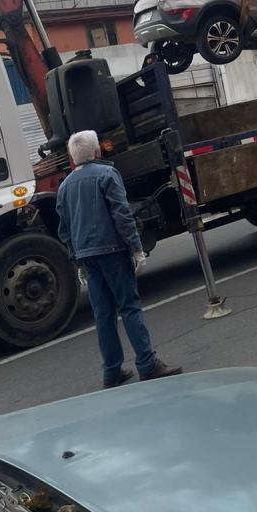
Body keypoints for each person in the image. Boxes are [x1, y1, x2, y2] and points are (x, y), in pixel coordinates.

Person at [56, 130, 182, 388]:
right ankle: (147, 364)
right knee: (130, 306)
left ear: (72, 157)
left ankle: (111, 371)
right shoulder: (107, 174)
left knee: (103, 314)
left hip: (86, 256)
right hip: (112, 251)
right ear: (97, 151)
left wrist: (76, 259)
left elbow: (64, 228)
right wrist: (136, 248)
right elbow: (122, 215)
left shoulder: (65, 186)